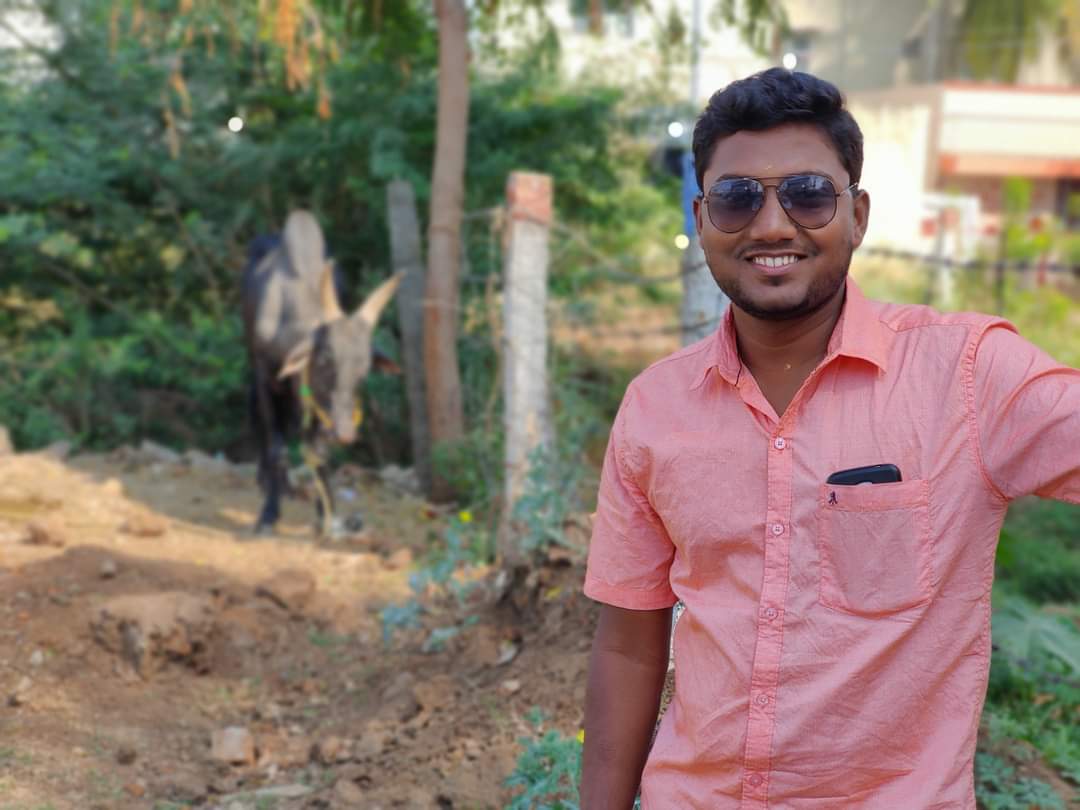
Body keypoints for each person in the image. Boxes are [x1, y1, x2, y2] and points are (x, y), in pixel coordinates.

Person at [580, 67, 1080, 810]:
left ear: (858, 215)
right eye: (737, 198)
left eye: (808, 194)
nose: (771, 226)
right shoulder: (655, 407)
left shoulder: (969, 375)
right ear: (702, 216)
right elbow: (627, 643)